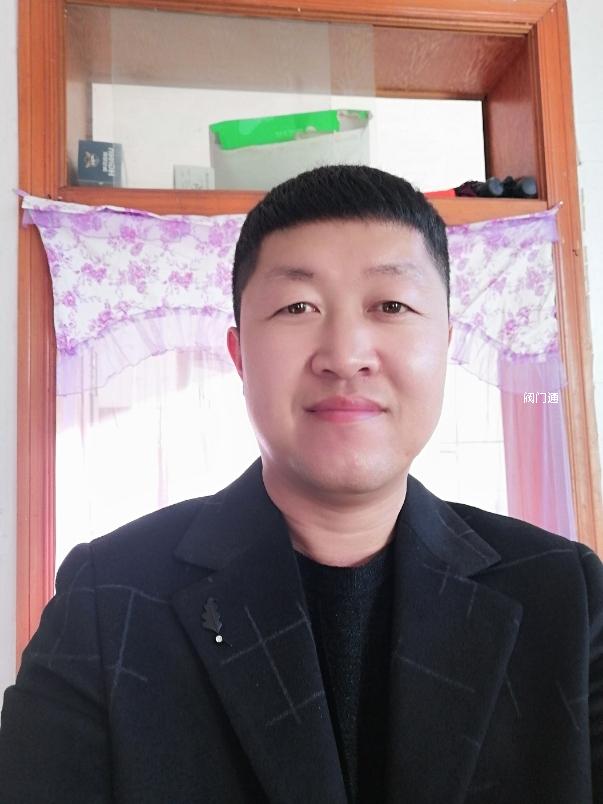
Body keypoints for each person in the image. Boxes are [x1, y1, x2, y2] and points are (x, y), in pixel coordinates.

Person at [1, 164, 602, 803]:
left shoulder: (567, 596)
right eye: (297, 307)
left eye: (391, 306)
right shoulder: (109, 598)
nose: (345, 356)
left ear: (446, 344)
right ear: (239, 356)